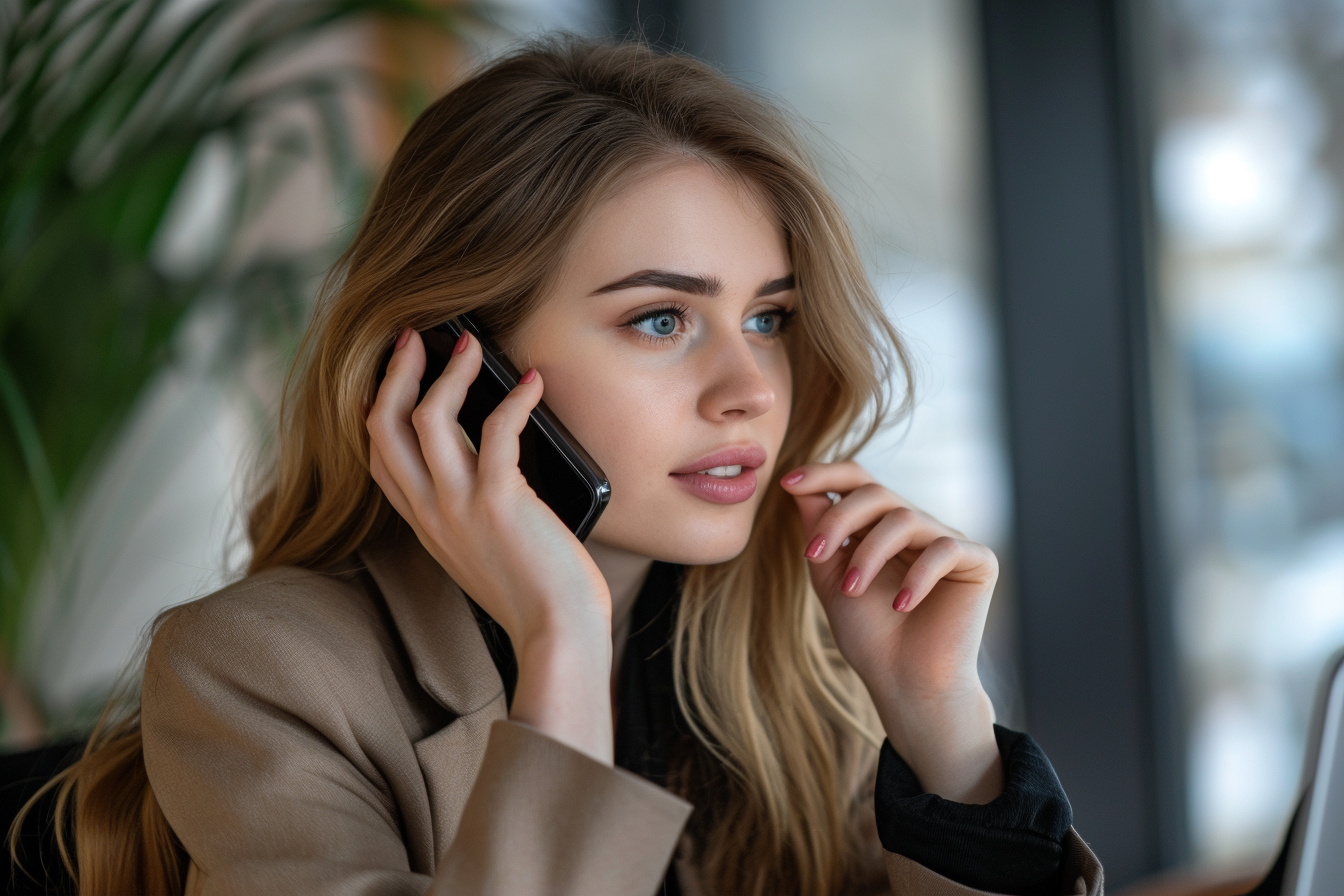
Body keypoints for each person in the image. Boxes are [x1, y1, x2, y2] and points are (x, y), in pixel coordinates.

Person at [17, 35, 1104, 896]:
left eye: (768, 316)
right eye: (662, 318)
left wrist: (938, 727)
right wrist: (562, 646)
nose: (752, 389)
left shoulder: (785, 652)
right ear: (455, 364)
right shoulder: (263, 672)